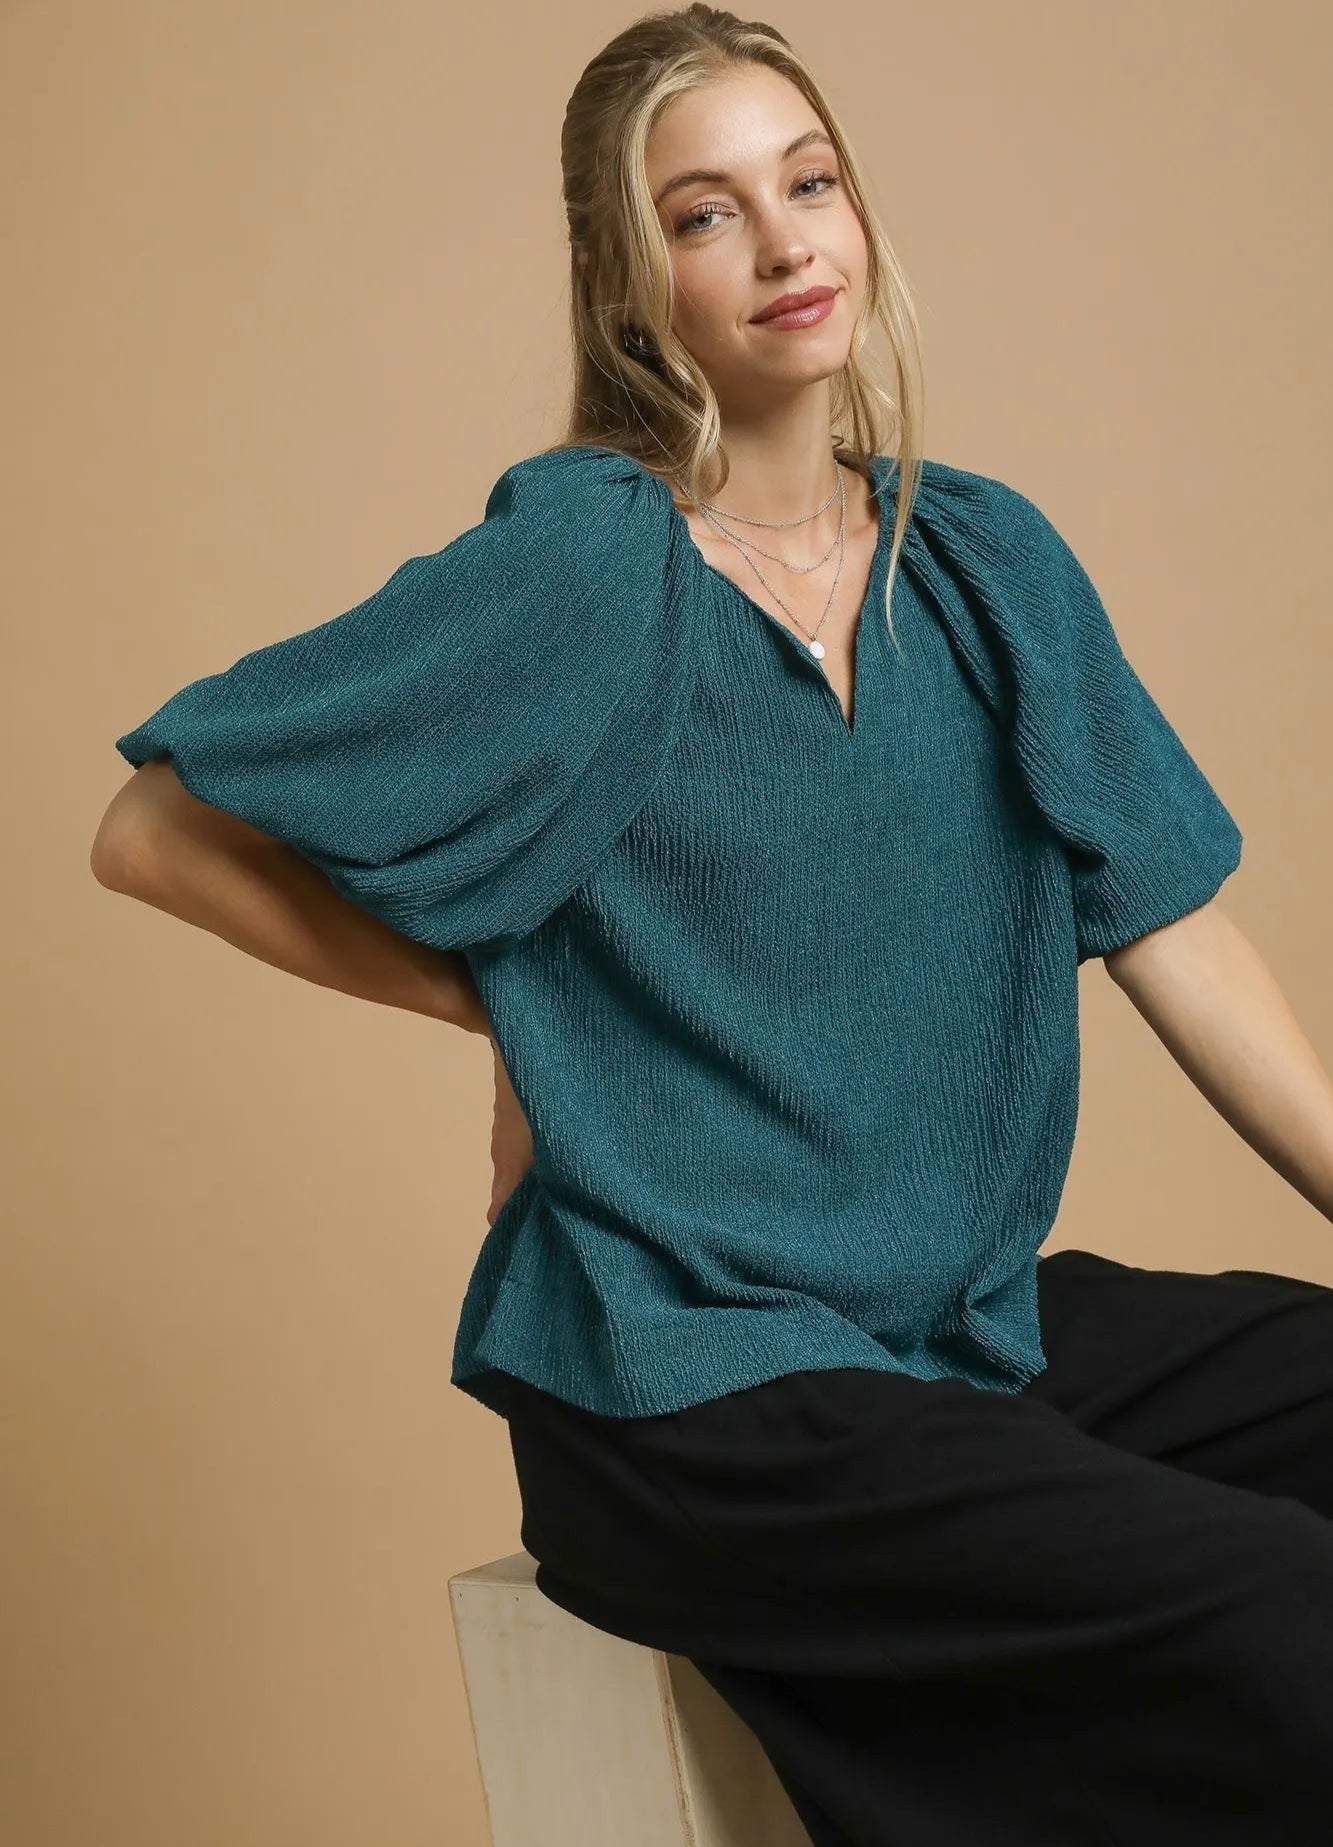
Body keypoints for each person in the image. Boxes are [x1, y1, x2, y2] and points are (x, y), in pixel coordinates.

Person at [91, 6, 1333, 1842]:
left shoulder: (981, 567)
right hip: (676, 1381)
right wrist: (521, 1007)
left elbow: (1174, 931)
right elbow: (153, 827)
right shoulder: (594, 570)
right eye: (702, 213)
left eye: (807, 183)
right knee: (1273, 1604)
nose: (779, 244)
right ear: (624, 281)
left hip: (948, 1327)